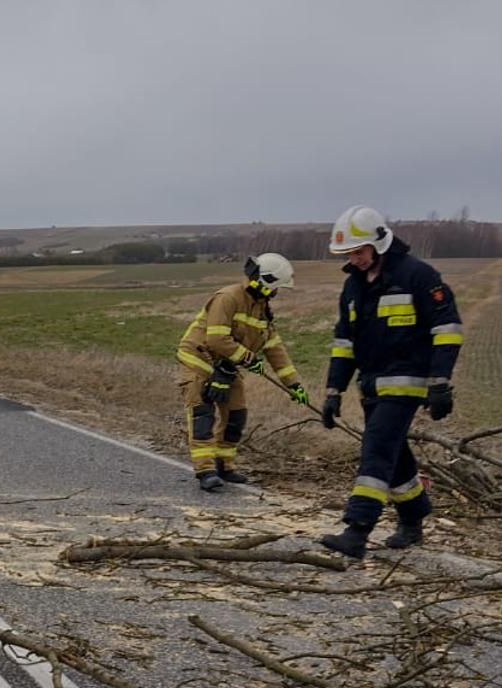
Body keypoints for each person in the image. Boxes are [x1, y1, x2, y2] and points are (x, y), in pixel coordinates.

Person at [319, 205, 465, 559]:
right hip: (371, 387)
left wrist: (440, 382)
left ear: (379, 243)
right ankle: (414, 518)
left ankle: (357, 530)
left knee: (377, 448)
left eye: (359, 251)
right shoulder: (352, 287)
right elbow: (345, 343)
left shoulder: (418, 276)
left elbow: (447, 329)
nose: (354, 259)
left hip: (407, 383)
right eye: (349, 254)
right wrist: (333, 390)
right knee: (395, 456)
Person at [175, 253, 311, 490]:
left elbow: (274, 349)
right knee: (202, 416)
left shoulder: (261, 309)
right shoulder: (228, 298)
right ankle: (205, 471)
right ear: (264, 281)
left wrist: (294, 384)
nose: (277, 294)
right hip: (199, 361)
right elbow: (216, 339)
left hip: (226, 367)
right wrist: (248, 359)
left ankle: (224, 465)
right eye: (276, 288)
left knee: (236, 415)